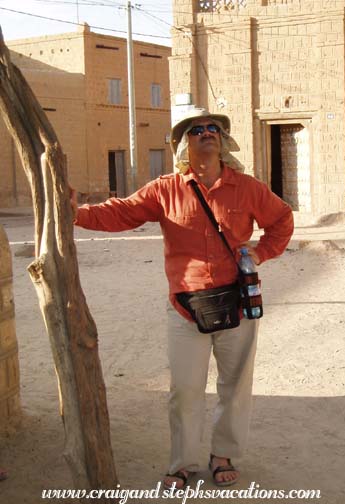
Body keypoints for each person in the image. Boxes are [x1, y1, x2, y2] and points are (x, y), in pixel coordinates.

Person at [71, 107, 294, 490]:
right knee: (185, 390)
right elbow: (122, 213)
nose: (207, 133)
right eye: (197, 130)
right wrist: (75, 213)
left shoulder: (247, 187)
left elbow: (282, 219)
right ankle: (184, 462)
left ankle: (223, 455)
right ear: (182, 145)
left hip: (238, 304)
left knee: (235, 386)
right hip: (185, 307)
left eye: (213, 129)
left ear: (222, 141)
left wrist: (259, 253)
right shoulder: (165, 189)